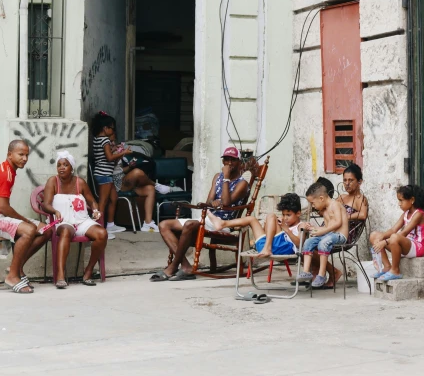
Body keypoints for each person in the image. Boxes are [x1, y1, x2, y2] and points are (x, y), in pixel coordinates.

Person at [151, 146, 249, 281]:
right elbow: (209, 200)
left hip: (223, 224)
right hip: (208, 218)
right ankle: (185, 266)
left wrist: (226, 179)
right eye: (226, 159)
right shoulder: (217, 177)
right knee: (164, 225)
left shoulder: (242, 183)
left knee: (190, 225)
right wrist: (213, 201)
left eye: (233, 160)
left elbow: (226, 203)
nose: (229, 163)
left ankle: (173, 267)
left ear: (239, 162)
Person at [0, 139, 53, 294]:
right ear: (9, 154)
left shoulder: (10, 171)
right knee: (29, 230)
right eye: (21, 154)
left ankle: (15, 268)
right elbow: (4, 208)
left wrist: (24, 222)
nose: (24, 158)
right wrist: (25, 221)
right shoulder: (5, 173)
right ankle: (12, 276)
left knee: (46, 230)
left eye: (27, 155)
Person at [41, 151, 108, 288]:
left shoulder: (80, 183)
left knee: (102, 234)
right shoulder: (53, 182)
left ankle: (88, 271)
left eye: (65, 165)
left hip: (82, 221)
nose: (62, 168)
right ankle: (60, 275)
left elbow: (92, 201)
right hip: (63, 221)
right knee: (66, 231)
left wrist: (95, 211)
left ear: (72, 167)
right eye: (59, 165)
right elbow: (46, 204)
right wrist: (54, 211)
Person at [208, 192, 304, 258]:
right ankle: (223, 223)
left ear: (298, 213)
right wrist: (269, 225)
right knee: (252, 219)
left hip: (284, 248)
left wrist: (286, 229)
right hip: (266, 246)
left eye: (288, 215)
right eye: (283, 214)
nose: (285, 218)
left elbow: (299, 244)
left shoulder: (301, 225)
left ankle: (267, 248)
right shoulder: (282, 223)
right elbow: (268, 231)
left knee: (271, 216)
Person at [369, 184, 424, 282]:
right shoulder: (405, 214)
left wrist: (384, 242)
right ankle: (387, 267)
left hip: (417, 247)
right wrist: (381, 237)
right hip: (404, 244)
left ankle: (395, 270)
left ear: (412, 200)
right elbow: (393, 230)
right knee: (374, 235)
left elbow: (404, 232)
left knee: (394, 237)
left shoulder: (419, 214)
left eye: (401, 200)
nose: (399, 204)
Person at [91, 112, 134, 238]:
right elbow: (109, 158)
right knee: (103, 202)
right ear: (105, 128)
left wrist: (115, 150)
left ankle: (110, 225)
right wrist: (123, 152)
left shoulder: (97, 139)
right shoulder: (104, 140)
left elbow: (105, 155)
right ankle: (99, 229)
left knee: (113, 198)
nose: (113, 130)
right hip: (104, 174)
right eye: (112, 128)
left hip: (105, 173)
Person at [300, 182, 349, 288]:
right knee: (309, 241)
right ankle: (306, 272)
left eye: (313, 203)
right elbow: (327, 227)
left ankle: (321, 275)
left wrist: (322, 232)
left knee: (323, 242)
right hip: (329, 235)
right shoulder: (325, 211)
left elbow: (338, 223)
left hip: (340, 235)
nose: (313, 206)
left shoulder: (335, 205)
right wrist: (314, 228)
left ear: (321, 198)